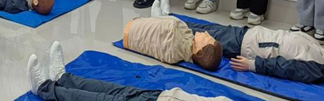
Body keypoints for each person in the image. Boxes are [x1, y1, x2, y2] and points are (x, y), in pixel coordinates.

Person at [150, 0, 324, 84]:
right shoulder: (319, 54)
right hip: (253, 36)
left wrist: (253, 65)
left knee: (199, 34)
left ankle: (163, 21)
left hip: (247, 44)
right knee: (207, 29)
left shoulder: (316, 67)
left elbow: (286, 68)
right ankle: (168, 18)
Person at [27, 41, 232, 100]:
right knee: (109, 88)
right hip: (162, 96)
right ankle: (62, 78)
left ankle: (44, 88)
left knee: (99, 99)